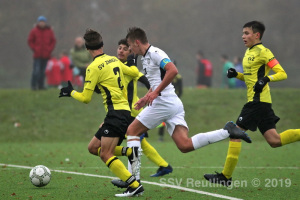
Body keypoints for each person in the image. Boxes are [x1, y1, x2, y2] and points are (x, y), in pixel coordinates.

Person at [123, 27, 252, 196]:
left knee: (131, 131)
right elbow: (157, 82)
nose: (130, 50)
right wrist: (147, 97)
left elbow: (173, 71)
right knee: (184, 145)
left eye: (130, 46)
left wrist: (155, 93)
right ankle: (227, 131)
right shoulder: (146, 57)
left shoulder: (155, 53)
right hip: (172, 103)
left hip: (164, 103)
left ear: (137, 42)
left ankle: (134, 184)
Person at [204, 21, 300, 187]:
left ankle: (225, 177)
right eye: (243, 33)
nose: (243, 36)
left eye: (247, 33)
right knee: (274, 141)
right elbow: (251, 79)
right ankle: (225, 177)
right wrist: (237, 75)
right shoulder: (248, 52)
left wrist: (266, 79)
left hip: (257, 102)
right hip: (260, 103)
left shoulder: (264, 52)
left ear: (257, 35)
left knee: (235, 133)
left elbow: (281, 73)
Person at [59, 29, 144, 197]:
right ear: (102, 44)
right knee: (93, 148)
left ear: (87, 48)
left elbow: (85, 98)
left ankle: (134, 185)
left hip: (116, 114)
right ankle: (129, 152)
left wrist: (71, 92)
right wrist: (133, 62)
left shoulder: (92, 68)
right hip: (123, 112)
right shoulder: (114, 59)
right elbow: (134, 73)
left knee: (105, 154)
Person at [110, 39, 173, 189]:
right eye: (119, 48)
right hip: (121, 111)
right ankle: (163, 166)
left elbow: (150, 83)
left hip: (131, 112)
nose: (121, 51)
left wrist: (153, 95)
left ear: (131, 53)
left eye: (125, 49)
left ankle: (131, 178)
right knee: (140, 142)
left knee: (128, 143)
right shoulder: (115, 68)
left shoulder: (133, 71)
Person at [28, 16, 56, 90]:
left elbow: (53, 41)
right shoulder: (34, 31)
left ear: (45, 23)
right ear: (38, 22)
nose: (42, 23)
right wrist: (34, 48)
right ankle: (33, 85)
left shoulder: (49, 31)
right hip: (37, 55)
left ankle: (41, 86)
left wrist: (49, 49)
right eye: (40, 22)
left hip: (46, 55)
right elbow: (30, 41)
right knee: (36, 71)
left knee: (43, 71)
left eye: (43, 22)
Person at [158, 60, 183, 141]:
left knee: (175, 120)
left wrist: (176, 97)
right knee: (163, 120)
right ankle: (160, 136)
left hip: (174, 101)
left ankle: (178, 137)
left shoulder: (178, 77)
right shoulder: (165, 76)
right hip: (165, 100)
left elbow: (180, 90)